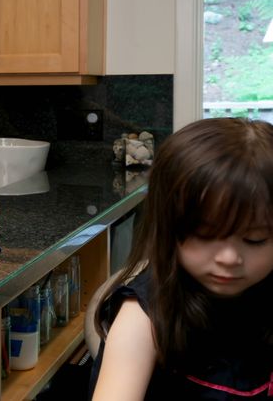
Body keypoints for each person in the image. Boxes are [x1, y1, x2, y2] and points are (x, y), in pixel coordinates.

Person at [89, 118, 273, 399]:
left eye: (255, 239)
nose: (229, 258)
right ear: (169, 227)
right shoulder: (142, 317)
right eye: (205, 235)